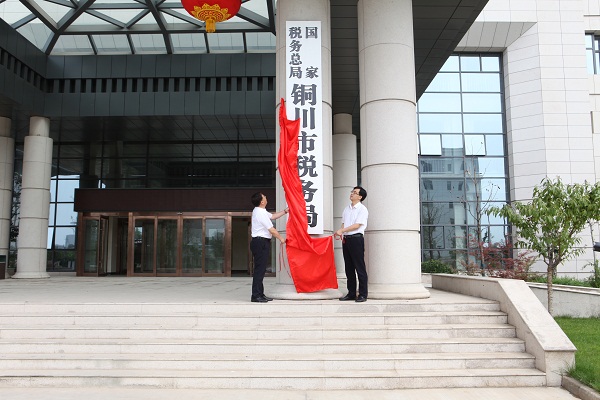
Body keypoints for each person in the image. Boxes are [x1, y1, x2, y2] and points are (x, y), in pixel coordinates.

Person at [250, 192, 288, 303]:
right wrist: (281, 239)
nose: (266, 198)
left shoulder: (260, 211)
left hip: (260, 242)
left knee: (261, 270)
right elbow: (271, 229)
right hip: (260, 242)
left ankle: (260, 294)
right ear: (262, 201)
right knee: (259, 270)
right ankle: (255, 295)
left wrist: (285, 211)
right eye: (265, 197)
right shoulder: (260, 213)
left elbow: (273, 216)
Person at [335, 186, 369, 302]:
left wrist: (342, 231)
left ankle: (363, 294)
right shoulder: (347, 209)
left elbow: (357, 225)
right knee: (348, 268)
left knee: (359, 267)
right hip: (347, 240)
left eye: (355, 193)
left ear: (360, 197)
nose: (352, 194)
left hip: (356, 239)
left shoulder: (362, 209)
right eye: (352, 192)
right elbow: (344, 224)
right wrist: (341, 232)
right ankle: (351, 293)